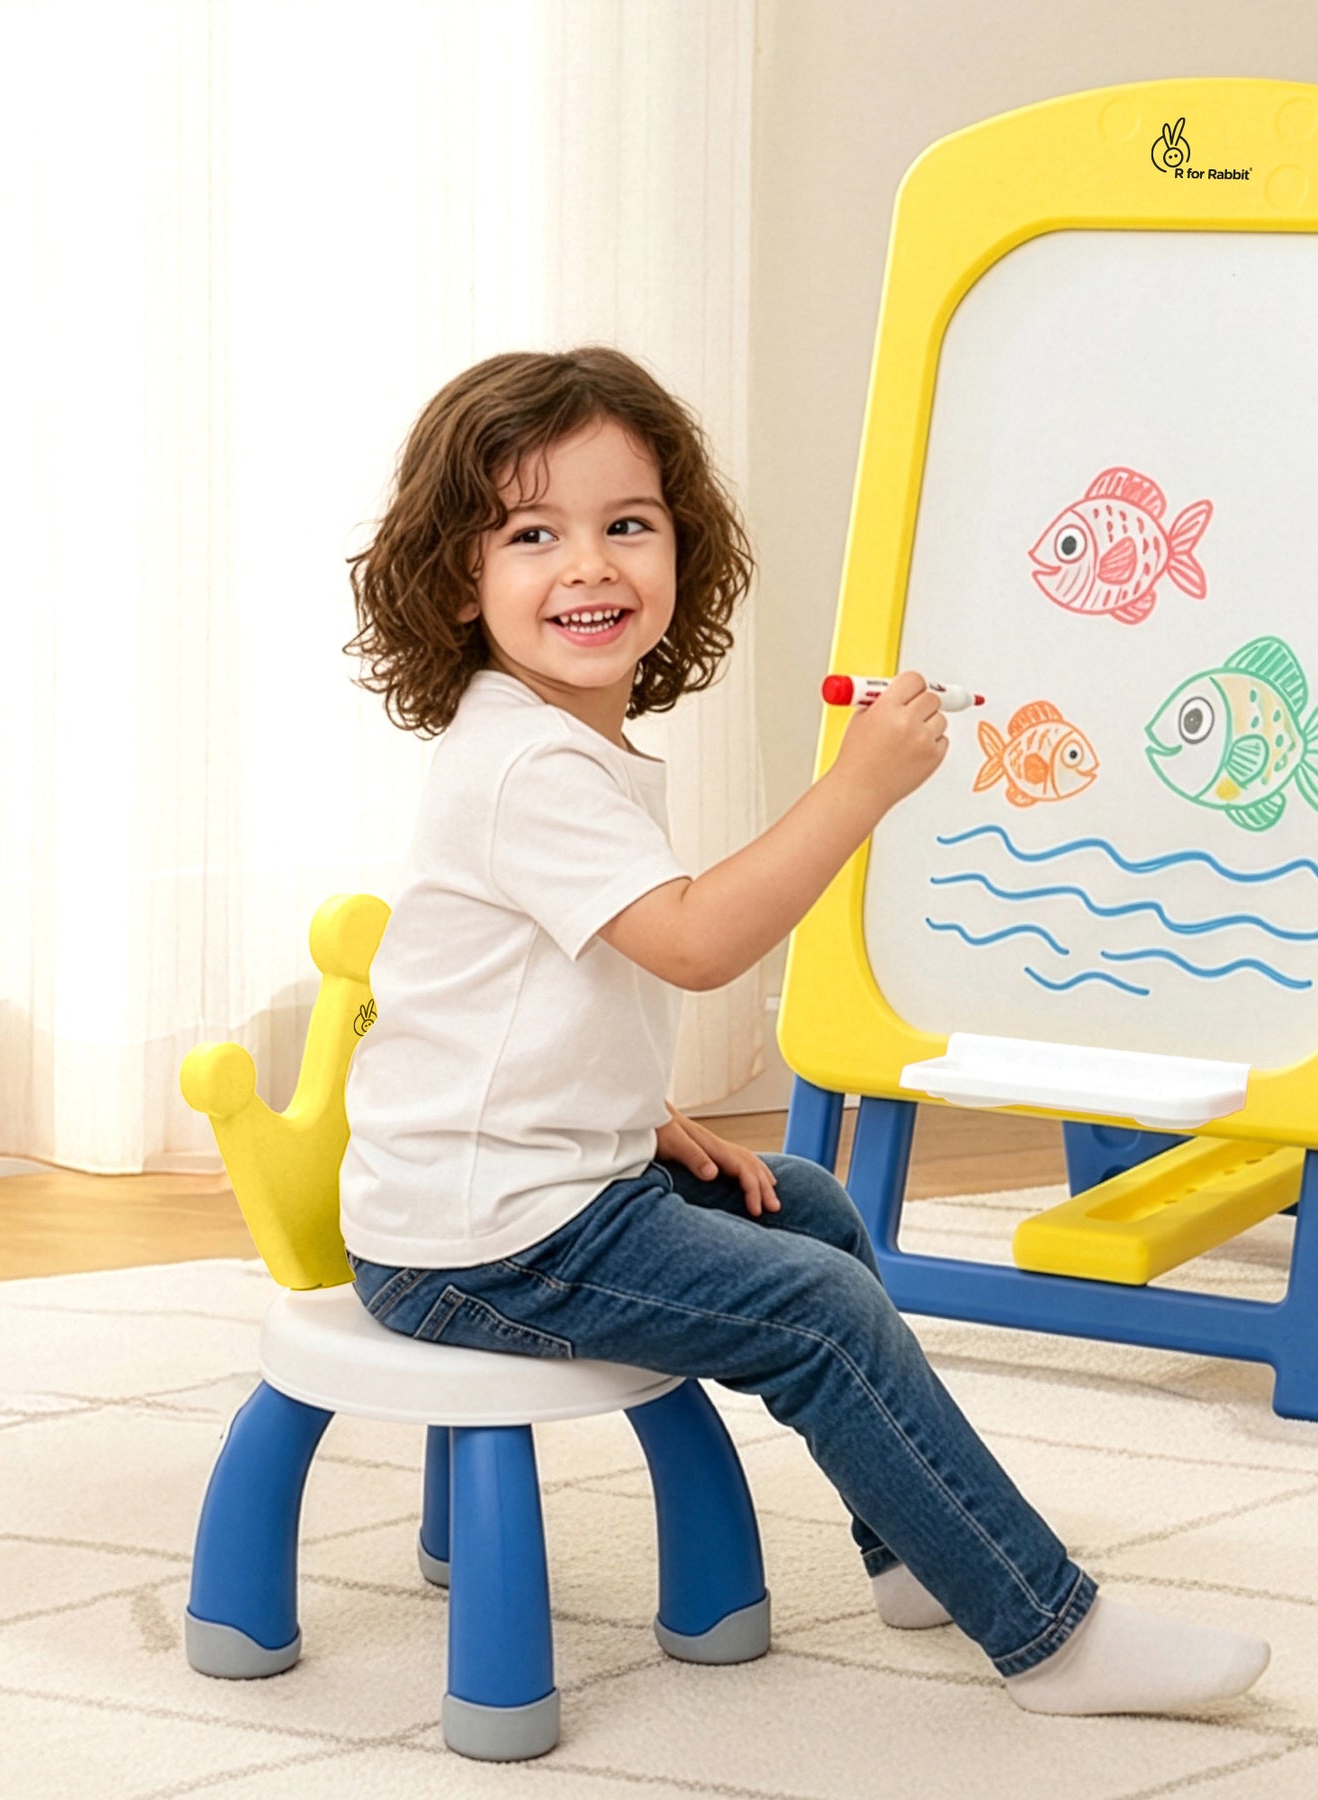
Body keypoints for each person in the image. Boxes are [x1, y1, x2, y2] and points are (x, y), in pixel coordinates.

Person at [338, 345, 1270, 1714]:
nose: (589, 565)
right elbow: (695, 943)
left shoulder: (552, 739)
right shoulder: (528, 762)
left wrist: (645, 1119)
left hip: (522, 1188)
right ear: (457, 578)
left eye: (626, 524)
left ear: (680, 548)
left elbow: (515, 1003)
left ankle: (916, 1548)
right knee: (821, 1312)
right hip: (486, 1242)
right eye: (533, 535)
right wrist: (859, 788)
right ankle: (1050, 1635)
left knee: (814, 1212)